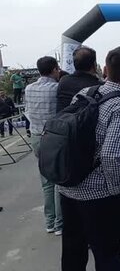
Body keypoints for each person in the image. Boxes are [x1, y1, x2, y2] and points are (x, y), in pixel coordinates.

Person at [59, 46, 120, 271]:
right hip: (98, 195)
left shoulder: (85, 94)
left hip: (68, 186)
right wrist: (115, 191)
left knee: (73, 252)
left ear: (104, 69)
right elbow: (111, 156)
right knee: (107, 255)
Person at [24, 56, 62, 235]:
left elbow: (28, 112)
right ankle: (60, 224)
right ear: (54, 69)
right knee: (59, 182)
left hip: (37, 138)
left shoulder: (29, 88)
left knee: (46, 183)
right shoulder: (57, 88)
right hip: (53, 138)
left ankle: (49, 222)